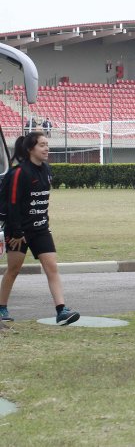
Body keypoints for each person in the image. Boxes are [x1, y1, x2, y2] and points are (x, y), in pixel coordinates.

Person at [0, 132, 81, 325]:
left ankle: (61, 310)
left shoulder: (46, 170)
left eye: (47, 145)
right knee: (13, 270)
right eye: (42, 145)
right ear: (30, 149)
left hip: (41, 229)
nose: (47, 149)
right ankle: (2, 308)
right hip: (18, 231)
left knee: (51, 267)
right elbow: (12, 204)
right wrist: (17, 232)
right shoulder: (19, 172)